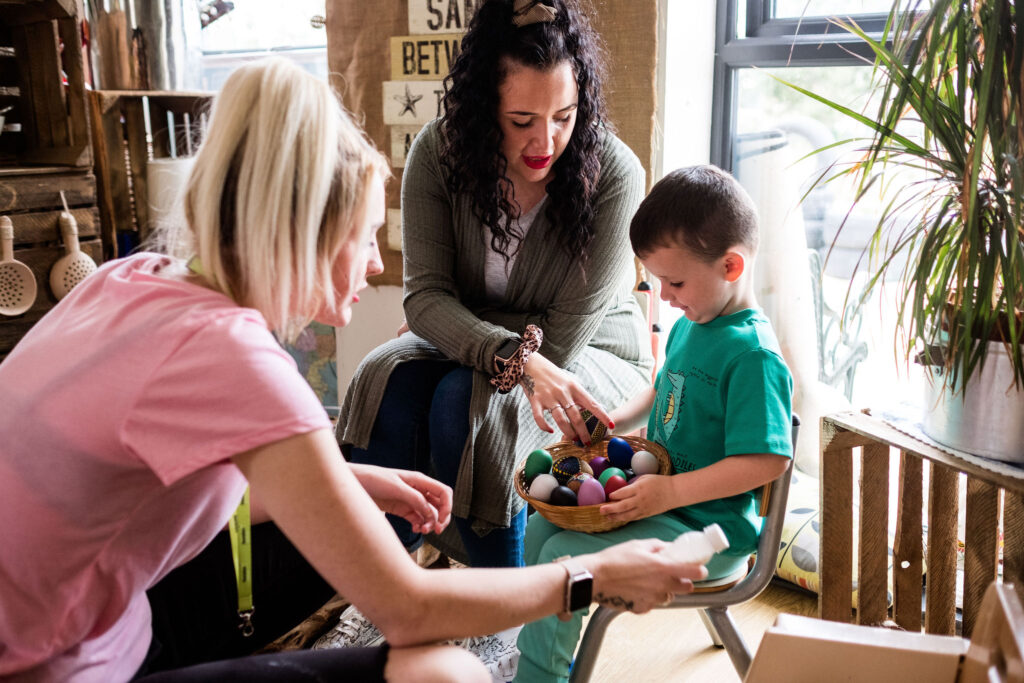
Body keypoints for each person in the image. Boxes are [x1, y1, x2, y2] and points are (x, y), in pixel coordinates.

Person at [0, 58, 707, 683]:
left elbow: (172, 485)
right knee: (447, 671)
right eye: (365, 235)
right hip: (61, 664)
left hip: (107, 624)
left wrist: (355, 481)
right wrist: (590, 577)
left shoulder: (129, 279)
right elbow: (408, 607)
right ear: (303, 233)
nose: (375, 264)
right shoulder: (233, 358)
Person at [337, 0, 653, 573]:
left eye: (564, 116)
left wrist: (458, 324)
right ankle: (383, 578)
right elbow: (424, 300)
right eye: (522, 121)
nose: (546, 141)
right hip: (503, 349)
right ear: (485, 108)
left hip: (593, 355)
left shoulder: (615, 174)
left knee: (468, 400)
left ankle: (501, 600)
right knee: (388, 378)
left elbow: (562, 337)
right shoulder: (439, 154)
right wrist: (501, 347)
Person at [513, 165, 795, 682]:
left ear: (731, 266)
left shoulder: (753, 356)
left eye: (675, 281)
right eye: (658, 280)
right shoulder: (693, 323)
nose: (664, 295)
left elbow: (767, 460)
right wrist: (615, 420)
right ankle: (542, 652)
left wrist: (670, 493)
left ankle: (539, 676)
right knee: (541, 529)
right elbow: (664, 389)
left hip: (708, 531)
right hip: (657, 500)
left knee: (564, 558)